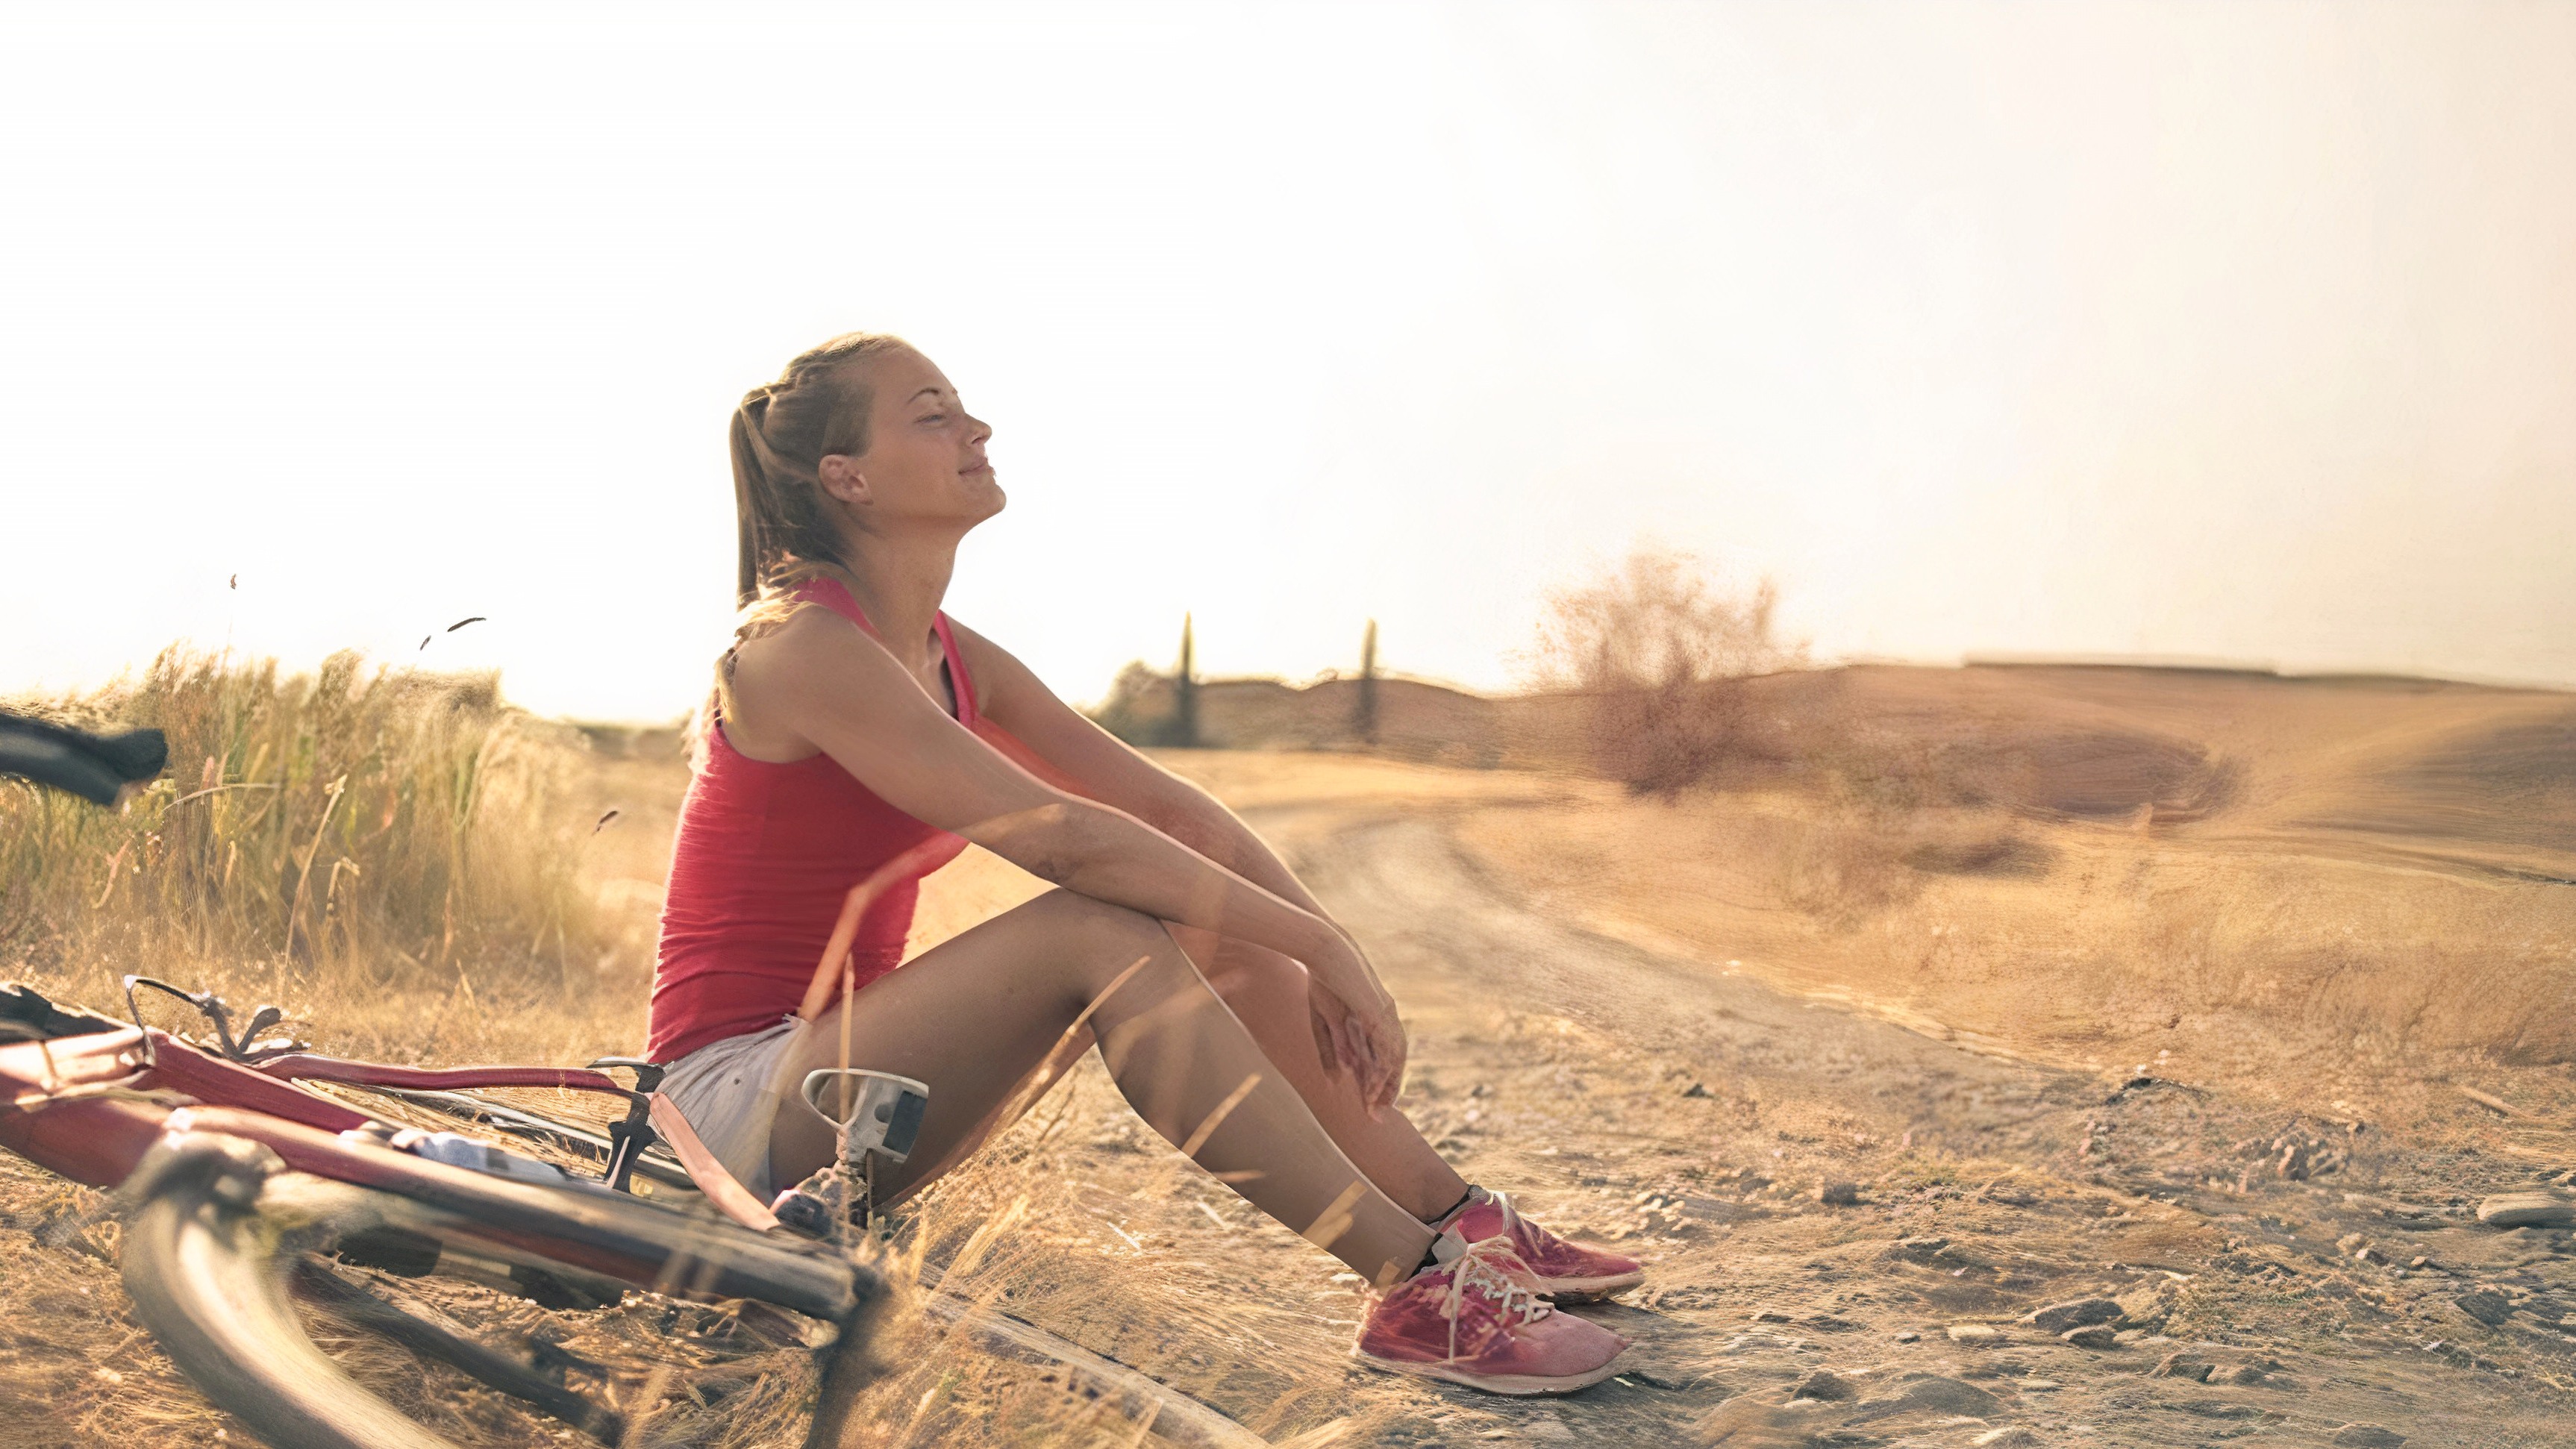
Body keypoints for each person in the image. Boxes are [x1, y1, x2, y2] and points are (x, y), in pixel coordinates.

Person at [645, 333, 1639, 1394]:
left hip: (855, 1106)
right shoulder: (801, 647)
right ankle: (1415, 1284)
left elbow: (1166, 809)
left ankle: (1459, 1221)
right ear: (848, 477)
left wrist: (1321, 945)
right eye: (932, 414)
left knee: (1213, 918)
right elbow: (1064, 835)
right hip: (725, 1113)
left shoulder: (948, 651)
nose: (976, 429)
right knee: (1101, 925)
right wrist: (1315, 938)